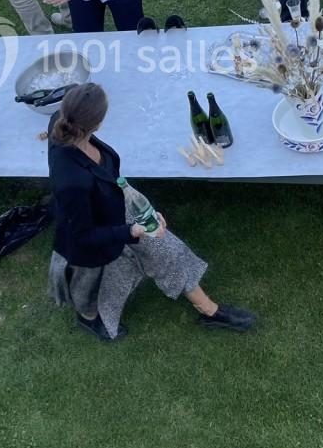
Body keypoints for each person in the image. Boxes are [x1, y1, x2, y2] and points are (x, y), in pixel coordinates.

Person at [46, 83, 255, 341]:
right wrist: (131, 231)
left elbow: (108, 178)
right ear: (96, 124)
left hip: (113, 208)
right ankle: (88, 319)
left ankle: (209, 310)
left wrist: (142, 208)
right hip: (93, 237)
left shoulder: (63, 122)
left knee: (168, 250)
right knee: (95, 293)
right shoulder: (72, 182)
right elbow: (82, 235)